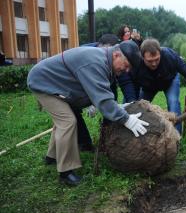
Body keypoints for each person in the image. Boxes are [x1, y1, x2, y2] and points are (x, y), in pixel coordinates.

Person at [27, 40, 149, 186]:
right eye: (127, 65)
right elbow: (103, 102)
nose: (127, 71)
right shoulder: (96, 63)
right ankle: (66, 172)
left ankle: (52, 157)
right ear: (116, 55)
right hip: (44, 83)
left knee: (62, 121)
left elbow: (102, 94)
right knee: (67, 121)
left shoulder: (105, 62)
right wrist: (126, 119)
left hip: (55, 84)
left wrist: (121, 107)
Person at [122, 38, 186, 134]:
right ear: (142, 57)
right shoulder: (136, 64)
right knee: (139, 107)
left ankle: (176, 139)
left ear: (160, 53)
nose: (154, 64)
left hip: (170, 81)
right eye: (150, 61)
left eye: (157, 59)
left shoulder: (169, 55)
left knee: (173, 102)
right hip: (148, 86)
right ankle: (137, 136)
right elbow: (132, 87)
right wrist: (131, 106)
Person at [74, 34, 121, 152]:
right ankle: (84, 143)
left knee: (111, 103)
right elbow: (85, 82)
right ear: (99, 46)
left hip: (107, 78)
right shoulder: (84, 52)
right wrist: (91, 102)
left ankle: (107, 140)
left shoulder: (118, 57)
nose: (107, 55)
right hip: (78, 83)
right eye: (105, 50)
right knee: (72, 113)